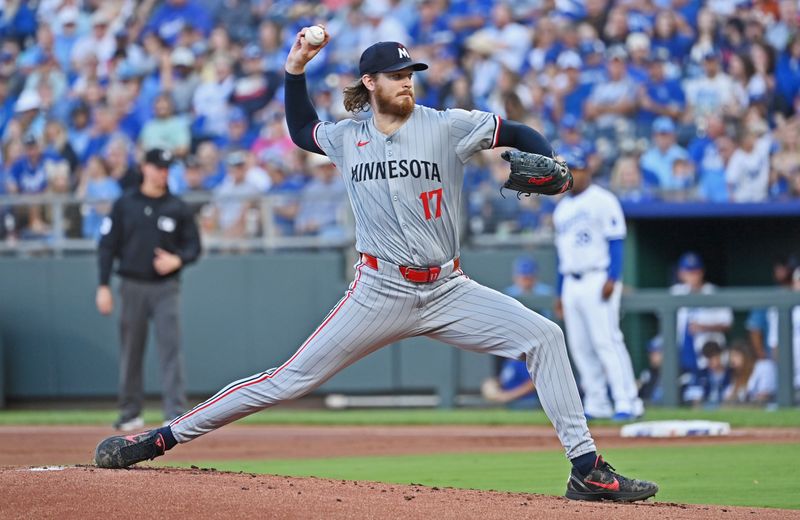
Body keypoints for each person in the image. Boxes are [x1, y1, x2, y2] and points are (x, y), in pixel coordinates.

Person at [95, 33, 658, 503]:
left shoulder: (446, 124)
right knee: (288, 379)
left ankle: (586, 469)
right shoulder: (347, 138)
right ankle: (163, 438)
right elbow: (299, 131)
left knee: (544, 336)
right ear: (370, 84)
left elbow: (517, 134)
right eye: (395, 75)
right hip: (379, 289)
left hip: (448, 288)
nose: (407, 81)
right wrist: (294, 70)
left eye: (410, 73)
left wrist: (547, 159)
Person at [96, 148, 201, 431]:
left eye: (166, 168)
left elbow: (194, 246)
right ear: (145, 168)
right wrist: (103, 285)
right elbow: (107, 246)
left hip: (165, 287)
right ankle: (130, 412)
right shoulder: (125, 204)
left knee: (170, 349)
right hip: (132, 284)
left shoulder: (176, 207)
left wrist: (177, 259)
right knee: (131, 350)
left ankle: (175, 412)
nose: (162, 172)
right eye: (157, 167)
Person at [553, 148, 644, 421]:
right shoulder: (562, 209)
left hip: (598, 276)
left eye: (577, 169)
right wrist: (560, 292)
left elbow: (616, 240)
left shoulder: (603, 200)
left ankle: (627, 400)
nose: (572, 174)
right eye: (568, 169)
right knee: (580, 346)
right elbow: (562, 255)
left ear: (588, 171)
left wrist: (613, 277)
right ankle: (597, 401)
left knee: (607, 341)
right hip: (571, 280)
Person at [670, 252, 733, 376]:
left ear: (701, 272)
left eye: (695, 271)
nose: (692, 276)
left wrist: (703, 327)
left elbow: (728, 324)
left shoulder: (713, 292)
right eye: (688, 272)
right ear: (681, 274)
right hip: (682, 355)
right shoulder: (676, 292)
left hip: (710, 357)